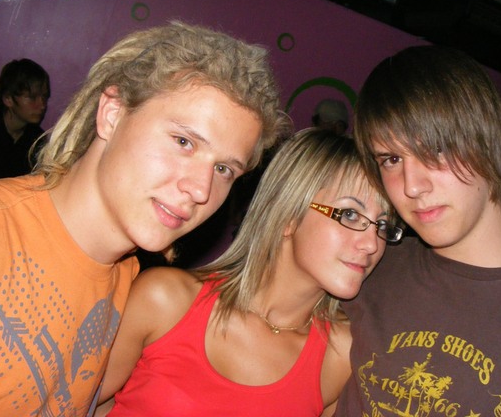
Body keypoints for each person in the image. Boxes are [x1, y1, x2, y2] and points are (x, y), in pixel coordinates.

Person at [0, 20, 291, 416]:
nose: (201, 190)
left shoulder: (124, 274)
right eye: (184, 142)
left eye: (223, 169)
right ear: (112, 113)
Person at [335, 45, 501, 416]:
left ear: (487, 141)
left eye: (435, 149)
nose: (412, 186)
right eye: (392, 159)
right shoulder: (369, 263)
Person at [95, 128, 402, 417]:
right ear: (288, 215)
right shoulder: (166, 300)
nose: (371, 243)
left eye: (382, 224)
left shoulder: (339, 357)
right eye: (350, 214)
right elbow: (82, 404)